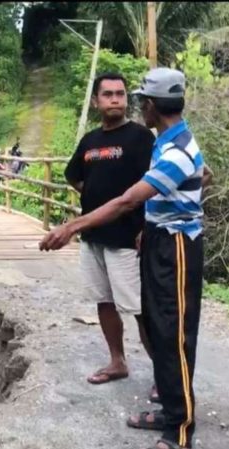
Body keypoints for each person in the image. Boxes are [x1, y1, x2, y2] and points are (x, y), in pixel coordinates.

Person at [40, 68, 210, 449]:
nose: (127, 104)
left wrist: (71, 227)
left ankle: (179, 433)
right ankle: (169, 412)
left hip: (177, 246)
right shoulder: (168, 142)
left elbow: (128, 200)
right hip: (159, 240)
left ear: (150, 105)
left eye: (134, 99)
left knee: (173, 334)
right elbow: (199, 177)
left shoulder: (175, 148)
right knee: (163, 331)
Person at [63, 73, 156, 392]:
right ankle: (117, 361)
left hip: (128, 240)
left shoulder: (142, 138)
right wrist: (93, 193)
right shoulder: (89, 141)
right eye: (108, 94)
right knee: (103, 301)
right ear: (96, 101)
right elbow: (72, 175)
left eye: (120, 94)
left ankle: (163, 376)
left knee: (140, 309)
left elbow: (157, 184)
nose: (115, 99)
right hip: (93, 239)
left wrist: (146, 225)